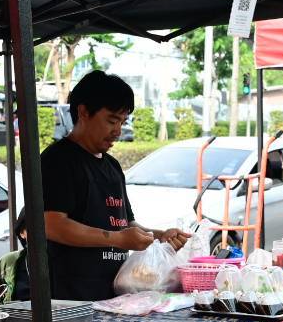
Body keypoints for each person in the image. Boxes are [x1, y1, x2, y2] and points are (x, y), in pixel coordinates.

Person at [39, 70, 187, 301]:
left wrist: (158, 237)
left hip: (113, 294)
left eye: (122, 122)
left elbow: (125, 224)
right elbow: (51, 224)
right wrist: (118, 239)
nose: (118, 131)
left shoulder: (112, 166)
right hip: (70, 297)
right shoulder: (58, 160)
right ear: (83, 112)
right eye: (111, 120)